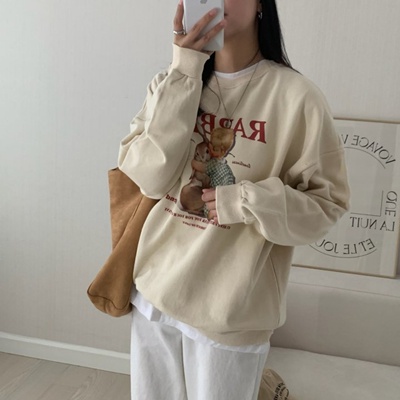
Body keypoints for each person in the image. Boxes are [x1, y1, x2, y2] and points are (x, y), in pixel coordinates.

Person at [118, 0, 350, 399]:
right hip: (155, 293)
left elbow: (327, 204)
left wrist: (243, 200)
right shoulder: (170, 82)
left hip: (230, 310)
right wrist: (185, 68)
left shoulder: (297, 98)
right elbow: (149, 179)